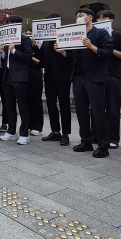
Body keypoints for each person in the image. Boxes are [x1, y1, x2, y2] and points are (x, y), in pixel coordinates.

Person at [64, 8, 113, 158]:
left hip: (95, 77)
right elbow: (72, 56)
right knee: (81, 111)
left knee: (98, 112)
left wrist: (92, 47)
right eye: (77, 15)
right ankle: (86, 141)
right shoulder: (75, 35)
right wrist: (63, 52)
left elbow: (108, 52)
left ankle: (103, 145)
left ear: (90, 17)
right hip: (78, 78)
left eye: (81, 15)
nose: (78, 17)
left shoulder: (100, 33)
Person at [95, 10, 121, 148]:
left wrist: (108, 49)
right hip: (96, 75)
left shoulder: (118, 35)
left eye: (105, 18)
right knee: (97, 108)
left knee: (113, 107)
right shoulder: (93, 35)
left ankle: (113, 138)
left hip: (113, 75)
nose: (101, 20)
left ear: (112, 20)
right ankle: (97, 136)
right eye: (99, 18)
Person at [0, 16, 33, 145]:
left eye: (11, 24)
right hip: (7, 77)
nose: (8, 27)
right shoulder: (6, 40)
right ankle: (11, 131)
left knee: (23, 106)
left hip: (20, 77)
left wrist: (14, 51)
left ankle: (24, 134)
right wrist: (2, 53)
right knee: (9, 106)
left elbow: (28, 57)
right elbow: (6, 60)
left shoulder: (24, 39)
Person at [41, 14, 74, 146]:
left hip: (63, 76)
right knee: (50, 104)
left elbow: (73, 58)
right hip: (49, 76)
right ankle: (55, 131)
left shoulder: (65, 36)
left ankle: (66, 133)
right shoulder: (45, 40)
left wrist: (63, 52)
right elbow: (42, 58)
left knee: (64, 104)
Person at [28, 35, 45, 136]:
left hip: (35, 75)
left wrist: (32, 57)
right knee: (27, 101)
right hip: (25, 76)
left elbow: (42, 63)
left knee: (36, 100)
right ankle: (29, 124)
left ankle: (38, 126)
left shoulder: (38, 50)